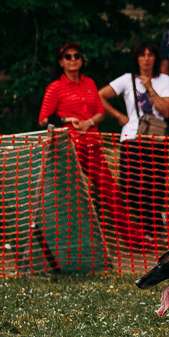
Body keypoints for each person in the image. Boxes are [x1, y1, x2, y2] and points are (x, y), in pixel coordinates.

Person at [38, 42, 144, 249]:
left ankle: (135, 240)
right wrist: (67, 119)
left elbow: (100, 112)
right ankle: (69, 242)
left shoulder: (89, 84)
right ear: (61, 62)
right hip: (67, 148)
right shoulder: (55, 87)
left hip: (91, 145)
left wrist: (90, 122)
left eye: (76, 55)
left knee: (110, 191)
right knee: (71, 194)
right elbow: (43, 120)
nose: (73, 59)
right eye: (67, 56)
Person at [100, 42, 169, 240]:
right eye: (142, 55)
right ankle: (144, 226)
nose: (147, 58)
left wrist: (150, 88)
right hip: (131, 136)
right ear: (137, 58)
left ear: (155, 58)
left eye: (151, 54)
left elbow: (167, 110)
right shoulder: (127, 79)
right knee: (130, 184)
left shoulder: (164, 80)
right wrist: (118, 116)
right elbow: (100, 96)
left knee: (155, 185)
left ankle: (153, 228)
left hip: (156, 139)